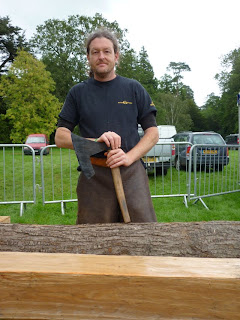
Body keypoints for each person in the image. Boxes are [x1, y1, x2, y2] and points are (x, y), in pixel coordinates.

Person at [55, 29, 159, 224]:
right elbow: (60, 137)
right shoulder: (78, 93)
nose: (101, 56)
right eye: (95, 52)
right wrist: (94, 143)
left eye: (106, 51)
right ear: (88, 57)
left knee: (144, 235)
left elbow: (152, 133)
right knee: (93, 242)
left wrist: (128, 157)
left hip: (131, 174)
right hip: (93, 176)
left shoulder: (134, 88)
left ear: (116, 56)